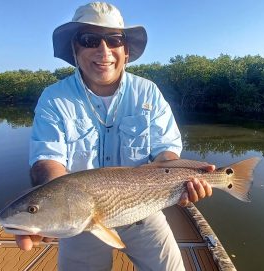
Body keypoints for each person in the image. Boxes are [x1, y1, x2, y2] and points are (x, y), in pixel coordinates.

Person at [16, 2, 213, 270]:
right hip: (81, 221)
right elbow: (47, 161)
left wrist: (187, 179)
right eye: (90, 39)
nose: (104, 50)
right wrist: (50, 211)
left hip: (143, 211)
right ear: (75, 49)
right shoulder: (54, 99)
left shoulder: (148, 93)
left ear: (126, 50)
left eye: (114, 39)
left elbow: (165, 153)